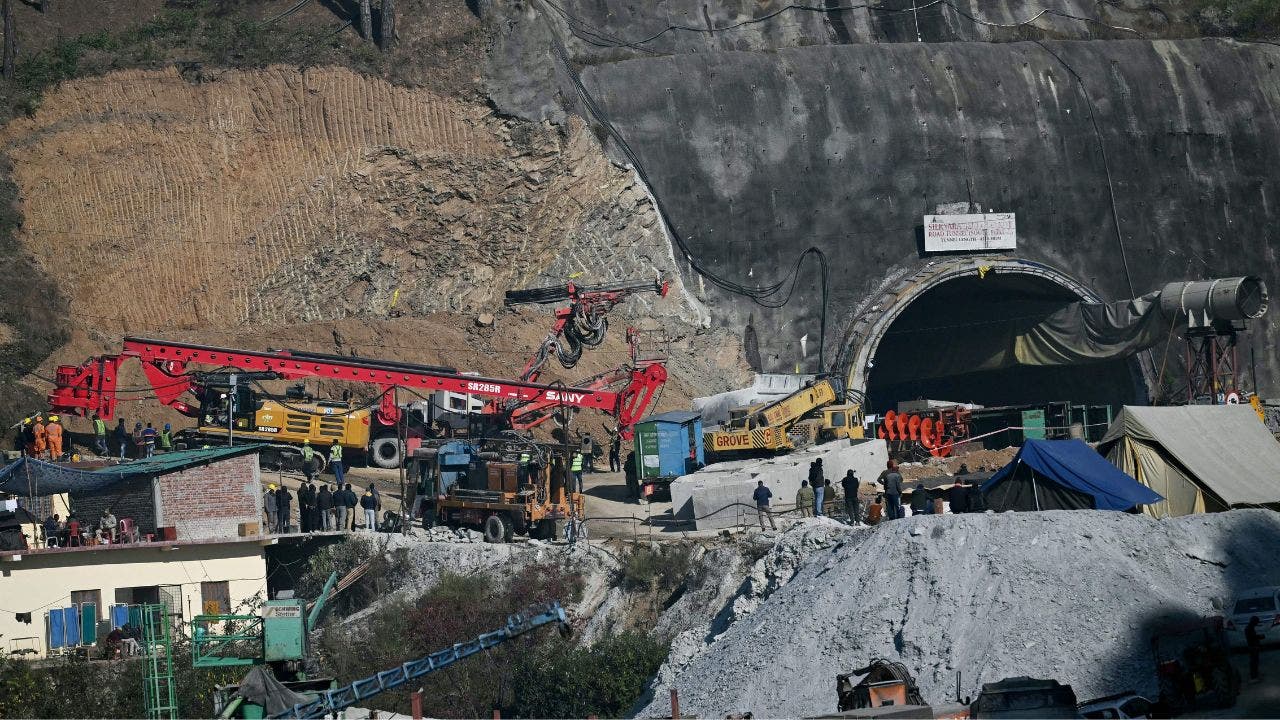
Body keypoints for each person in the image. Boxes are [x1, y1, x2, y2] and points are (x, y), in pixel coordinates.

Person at [1246, 616, 1263, 681]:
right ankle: (1254, 676)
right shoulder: (1249, 628)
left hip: (1253, 647)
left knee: (1254, 661)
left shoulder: (1250, 627)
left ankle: (1254, 674)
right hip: (1253, 647)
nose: (1257, 623)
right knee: (1254, 662)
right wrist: (1259, 637)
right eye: (1256, 622)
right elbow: (1252, 638)